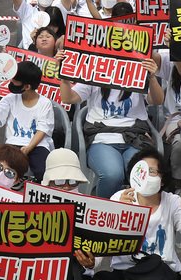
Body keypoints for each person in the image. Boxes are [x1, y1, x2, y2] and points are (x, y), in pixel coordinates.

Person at [60, 55, 166, 197]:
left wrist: (152, 77)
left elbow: (157, 100)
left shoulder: (138, 73)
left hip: (134, 139)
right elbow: (68, 98)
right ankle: (103, 211)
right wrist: (64, 77)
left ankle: (135, 211)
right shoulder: (95, 74)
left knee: (143, 175)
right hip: (102, 140)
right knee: (112, 175)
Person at [0, 60, 56, 179]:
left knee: (43, 172)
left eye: (15, 81)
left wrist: (28, 148)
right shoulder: (10, 98)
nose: (11, 82)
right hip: (13, 145)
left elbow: (42, 130)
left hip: (37, 145)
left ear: (27, 86)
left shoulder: (45, 103)